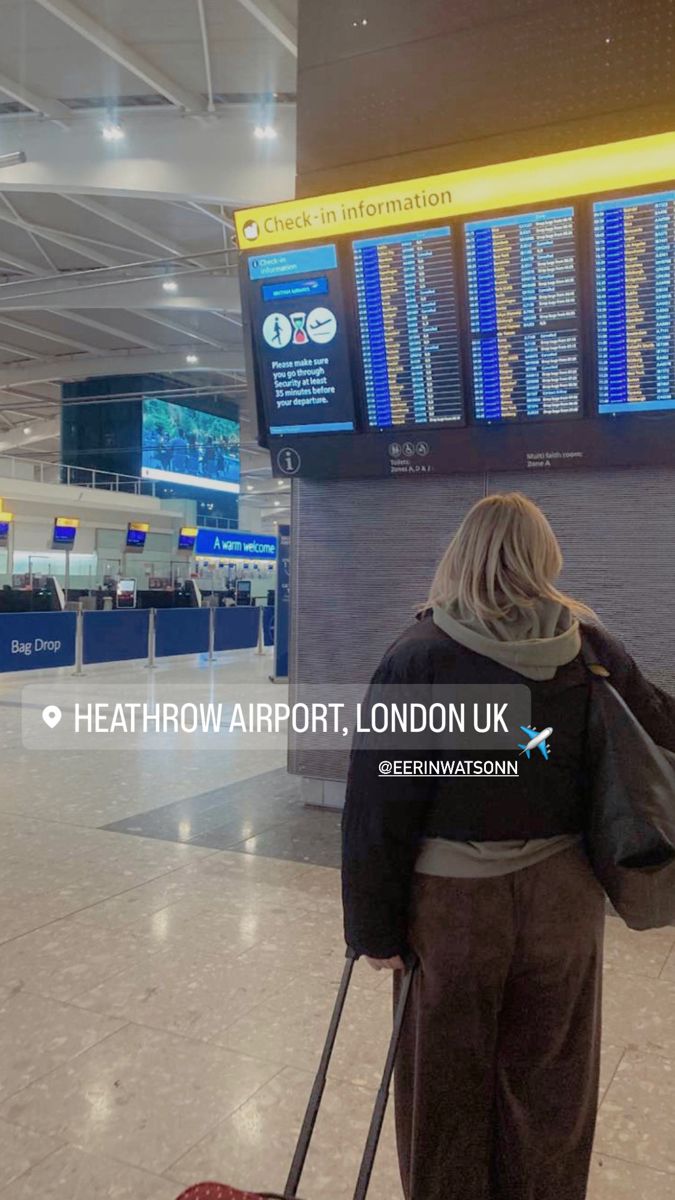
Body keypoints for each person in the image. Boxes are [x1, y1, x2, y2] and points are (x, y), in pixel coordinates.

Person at [341, 492, 675, 1200]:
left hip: (453, 906)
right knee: (551, 1081)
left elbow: (380, 804)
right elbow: (659, 727)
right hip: (563, 898)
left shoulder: (419, 656)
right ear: (543, 556)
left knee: (445, 1086)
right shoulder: (589, 645)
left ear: (459, 555)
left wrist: (372, 928)